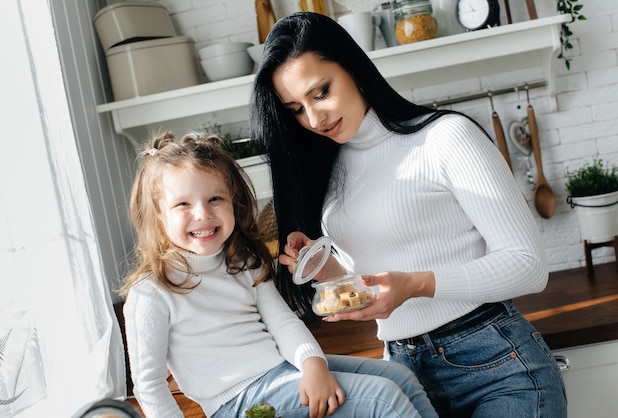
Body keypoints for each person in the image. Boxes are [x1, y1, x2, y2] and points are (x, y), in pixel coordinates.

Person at [249, 11, 568, 418]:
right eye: (295, 108)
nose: (314, 119)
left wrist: (414, 285)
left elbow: (529, 266)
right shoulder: (331, 169)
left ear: (352, 66)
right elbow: (380, 270)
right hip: (404, 368)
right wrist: (324, 268)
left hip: (496, 366)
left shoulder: (445, 138)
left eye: (321, 92)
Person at [118, 130, 438, 418]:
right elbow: (148, 385)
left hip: (280, 371)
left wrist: (313, 365)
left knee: (399, 378)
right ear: (158, 215)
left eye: (215, 198)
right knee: (383, 400)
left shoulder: (243, 263)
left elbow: (282, 323)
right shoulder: (151, 292)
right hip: (239, 404)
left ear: (234, 202)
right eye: (183, 204)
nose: (202, 213)